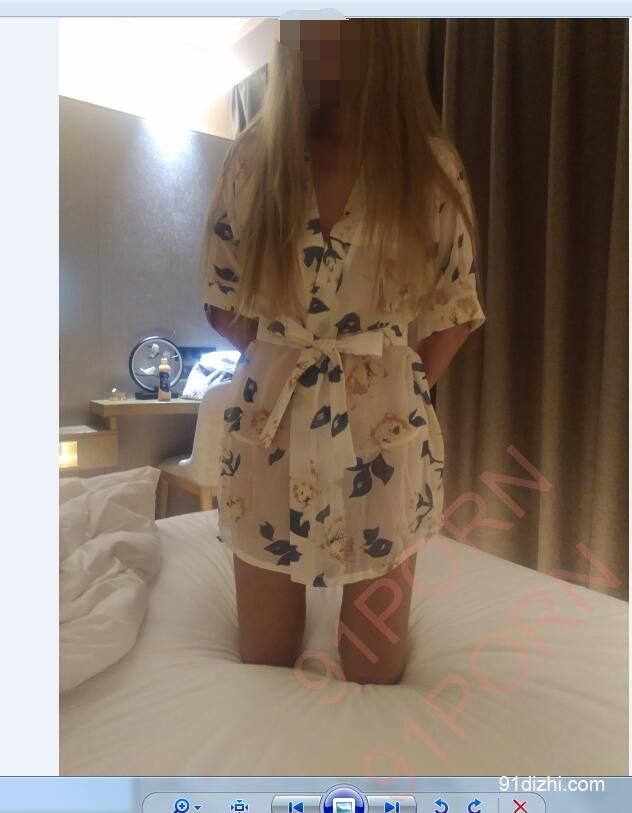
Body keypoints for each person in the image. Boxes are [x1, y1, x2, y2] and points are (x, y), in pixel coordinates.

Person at [201, 18, 486, 685]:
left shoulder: (428, 167)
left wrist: (396, 385)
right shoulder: (254, 158)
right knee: (264, 666)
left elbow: (457, 308)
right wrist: (286, 362)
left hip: (384, 444)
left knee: (374, 672)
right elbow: (220, 295)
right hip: (266, 435)